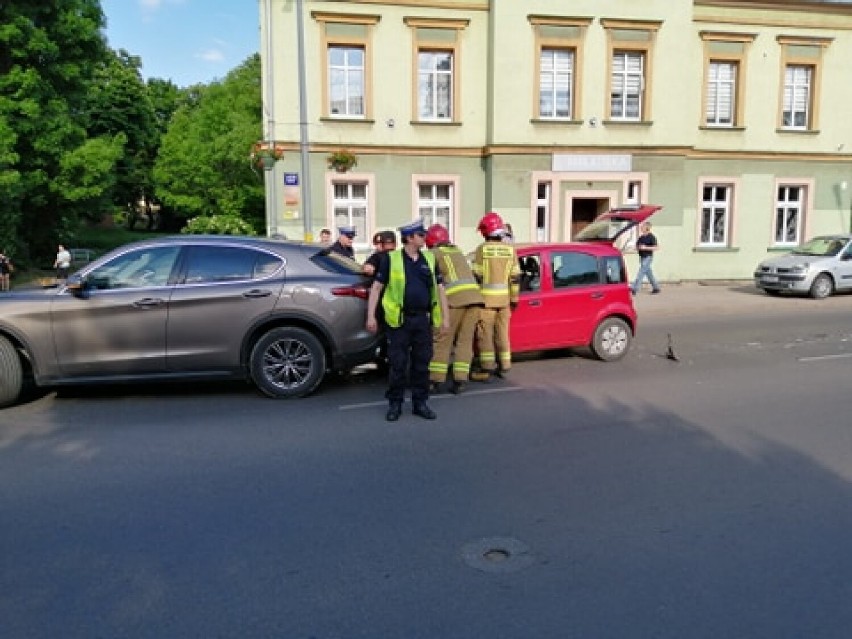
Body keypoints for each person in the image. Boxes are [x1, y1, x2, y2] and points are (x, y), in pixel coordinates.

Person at [366, 219, 449, 422]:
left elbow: (440, 290)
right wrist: (370, 316)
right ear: (410, 238)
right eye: (421, 235)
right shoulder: (391, 259)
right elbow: (376, 288)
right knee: (398, 364)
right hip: (399, 321)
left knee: (422, 363)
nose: (424, 238)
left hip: (422, 320)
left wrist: (445, 318)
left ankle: (420, 403)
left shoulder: (429, 259)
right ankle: (395, 404)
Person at [425, 223, 484, 395]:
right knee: (465, 341)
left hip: (453, 301)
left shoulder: (432, 254)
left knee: (443, 338)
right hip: (474, 299)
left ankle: (435, 380)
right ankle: (460, 379)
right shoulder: (457, 251)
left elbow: (429, 279)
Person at [470, 211, 520, 382]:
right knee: (502, 333)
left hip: (486, 301)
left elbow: (477, 276)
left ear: (486, 231)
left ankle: (487, 367)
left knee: (485, 334)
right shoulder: (510, 250)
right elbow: (515, 277)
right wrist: (514, 299)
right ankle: (505, 365)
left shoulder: (481, 250)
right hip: (505, 301)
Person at [631, 222, 661, 295]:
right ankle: (656, 288)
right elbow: (637, 246)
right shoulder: (641, 237)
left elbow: (656, 247)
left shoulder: (651, 237)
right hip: (642, 257)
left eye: (643, 227)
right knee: (649, 273)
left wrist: (645, 247)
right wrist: (637, 248)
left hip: (648, 257)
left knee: (641, 272)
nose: (641, 228)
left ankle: (635, 288)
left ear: (647, 228)